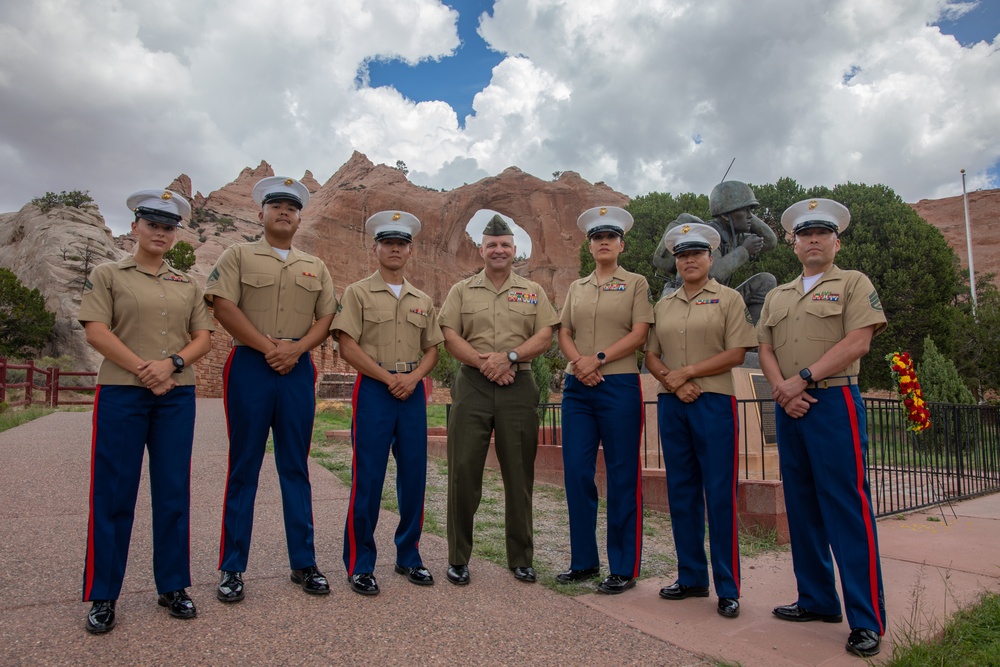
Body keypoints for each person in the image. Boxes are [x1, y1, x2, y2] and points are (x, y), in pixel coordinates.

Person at [79, 189, 214, 633]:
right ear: (136, 226)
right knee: (114, 494)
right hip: (123, 391)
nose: (159, 232)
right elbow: (97, 330)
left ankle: (173, 585)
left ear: (176, 234)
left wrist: (172, 364)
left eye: (168, 226)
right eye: (152, 224)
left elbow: (202, 338)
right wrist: (145, 369)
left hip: (175, 394)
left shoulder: (187, 283)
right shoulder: (109, 274)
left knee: (173, 491)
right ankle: (103, 594)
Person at [757, 198, 887, 658]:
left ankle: (866, 620)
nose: (813, 240)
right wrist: (782, 390)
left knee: (845, 505)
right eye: (805, 234)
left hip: (832, 401)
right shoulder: (779, 295)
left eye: (822, 233)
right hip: (790, 405)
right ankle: (816, 599)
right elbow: (766, 347)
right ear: (793, 244)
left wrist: (803, 379)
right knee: (803, 505)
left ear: (836, 241)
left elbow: (860, 340)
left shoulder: (852, 283)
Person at [205, 176, 337, 602]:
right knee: (243, 467)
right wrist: (270, 348)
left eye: (292, 207)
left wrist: (295, 349)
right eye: (276, 205)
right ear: (261, 213)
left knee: (295, 466)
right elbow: (223, 305)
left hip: (297, 369)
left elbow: (326, 318)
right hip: (250, 365)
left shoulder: (315, 267)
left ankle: (304, 563)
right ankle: (231, 568)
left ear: (300, 217)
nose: (284, 212)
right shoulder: (237, 255)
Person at [644, 222, 757, 619]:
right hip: (674, 403)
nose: (689, 260)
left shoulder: (727, 300)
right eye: (682, 255)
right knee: (682, 493)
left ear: (711, 258)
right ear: (676, 262)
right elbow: (651, 355)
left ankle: (728, 587)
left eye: (696, 254)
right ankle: (691, 576)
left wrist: (687, 374)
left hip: (713, 402)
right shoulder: (663, 305)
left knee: (720, 494)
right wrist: (672, 382)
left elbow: (738, 351)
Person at [438, 214, 559, 585]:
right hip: (472, 385)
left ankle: (521, 557)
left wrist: (508, 358)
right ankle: (458, 557)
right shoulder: (462, 291)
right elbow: (449, 333)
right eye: (492, 244)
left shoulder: (533, 291)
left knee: (519, 475)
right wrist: (483, 362)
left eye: (505, 244)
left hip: (518, 384)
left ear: (514, 249)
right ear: (481, 250)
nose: (499, 250)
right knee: (463, 473)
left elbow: (545, 336)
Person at [331, 210, 443, 596]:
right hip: (375, 389)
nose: (395, 249)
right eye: (388, 243)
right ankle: (360, 563)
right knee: (368, 478)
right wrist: (387, 378)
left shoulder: (422, 300)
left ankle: (408, 555)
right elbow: (347, 345)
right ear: (376, 247)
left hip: (412, 392)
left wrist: (412, 378)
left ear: (410, 251)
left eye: (402, 243)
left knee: (414, 477)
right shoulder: (358, 293)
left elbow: (433, 350)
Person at [556, 206, 653, 594]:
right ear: (589, 245)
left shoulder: (636, 283)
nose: (604, 243)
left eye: (610, 237)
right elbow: (563, 330)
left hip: (618, 384)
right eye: (597, 238)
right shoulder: (577, 287)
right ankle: (583, 562)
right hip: (577, 387)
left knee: (621, 475)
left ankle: (623, 567)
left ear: (621, 244)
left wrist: (597, 359)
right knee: (577, 474)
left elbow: (641, 331)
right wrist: (578, 363)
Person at [652, 181, 777, 323]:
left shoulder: (735, 237)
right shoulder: (707, 235)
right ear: (725, 216)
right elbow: (713, 273)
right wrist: (744, 251)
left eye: (751, 211)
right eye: (745, 210)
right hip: (693, 302)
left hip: (717, 299)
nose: (750, 216)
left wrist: (741, 210)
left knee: (766, 281)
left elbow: (770, 241)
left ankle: (752, 341)